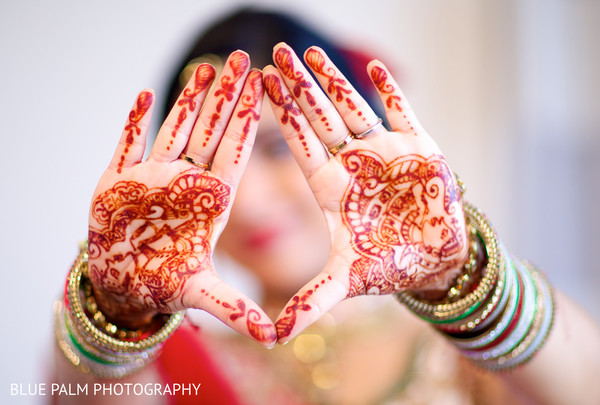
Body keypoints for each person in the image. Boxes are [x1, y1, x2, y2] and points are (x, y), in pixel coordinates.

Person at [51, 9, 600, 405]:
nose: (245, 201)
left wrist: (461, 277)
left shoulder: (456, 353)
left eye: (275, 149)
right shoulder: (167, 367)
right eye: (212, 172)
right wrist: (115, 314)